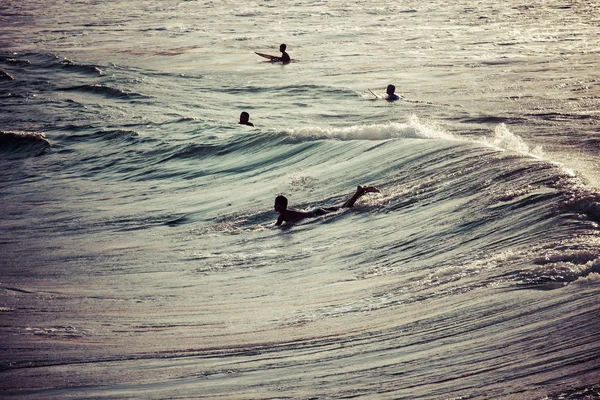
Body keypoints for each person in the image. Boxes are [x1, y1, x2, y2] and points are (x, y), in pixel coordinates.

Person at [274, 185, 380, 226]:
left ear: (282, 206)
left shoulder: (283, 215)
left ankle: (359, 193)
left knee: (346, 209)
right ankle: (358, 193)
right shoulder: (286, 211)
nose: (274, 207)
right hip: (316, 211)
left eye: (276, 205)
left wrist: (260, 228)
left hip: (317, 213)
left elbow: (277, 227)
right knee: (342, 207)